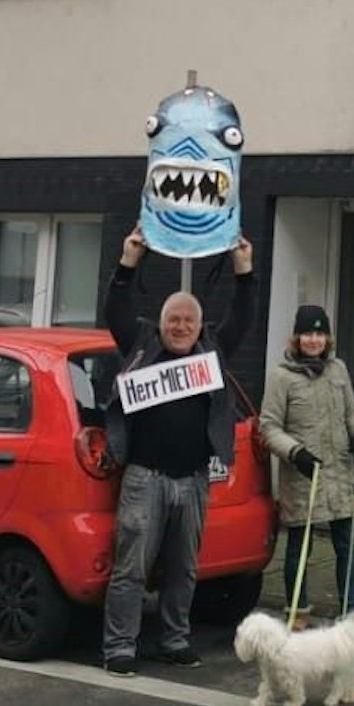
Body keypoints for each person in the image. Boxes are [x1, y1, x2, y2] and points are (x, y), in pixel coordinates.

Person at [100, 227, 257, 675]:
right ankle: (119, 647)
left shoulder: (212, 350)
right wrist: (129, 261)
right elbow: (117, 308)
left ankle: (173, 639)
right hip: (143, 478)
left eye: (189, 320)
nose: (182, 327)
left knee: (184, 570)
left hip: (193, 480)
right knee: (131, 568)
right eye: (174, 320)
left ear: (199, 325)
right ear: (162, 322)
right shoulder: (142, 342)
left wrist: (243, 269)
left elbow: (243, 317)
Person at [261, 305, 354, 628]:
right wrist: (295, 452)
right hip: (304, 475)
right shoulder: (281, 376)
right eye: (308, 333)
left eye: (320, 333)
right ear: (297, 337)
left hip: (341, 472)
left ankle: (349, 612)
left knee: (348, 546)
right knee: (299, 547)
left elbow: (352, 411)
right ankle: (298, 609)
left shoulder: (338, 370)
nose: (314, 340)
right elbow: (268, 427)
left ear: (328, 337)